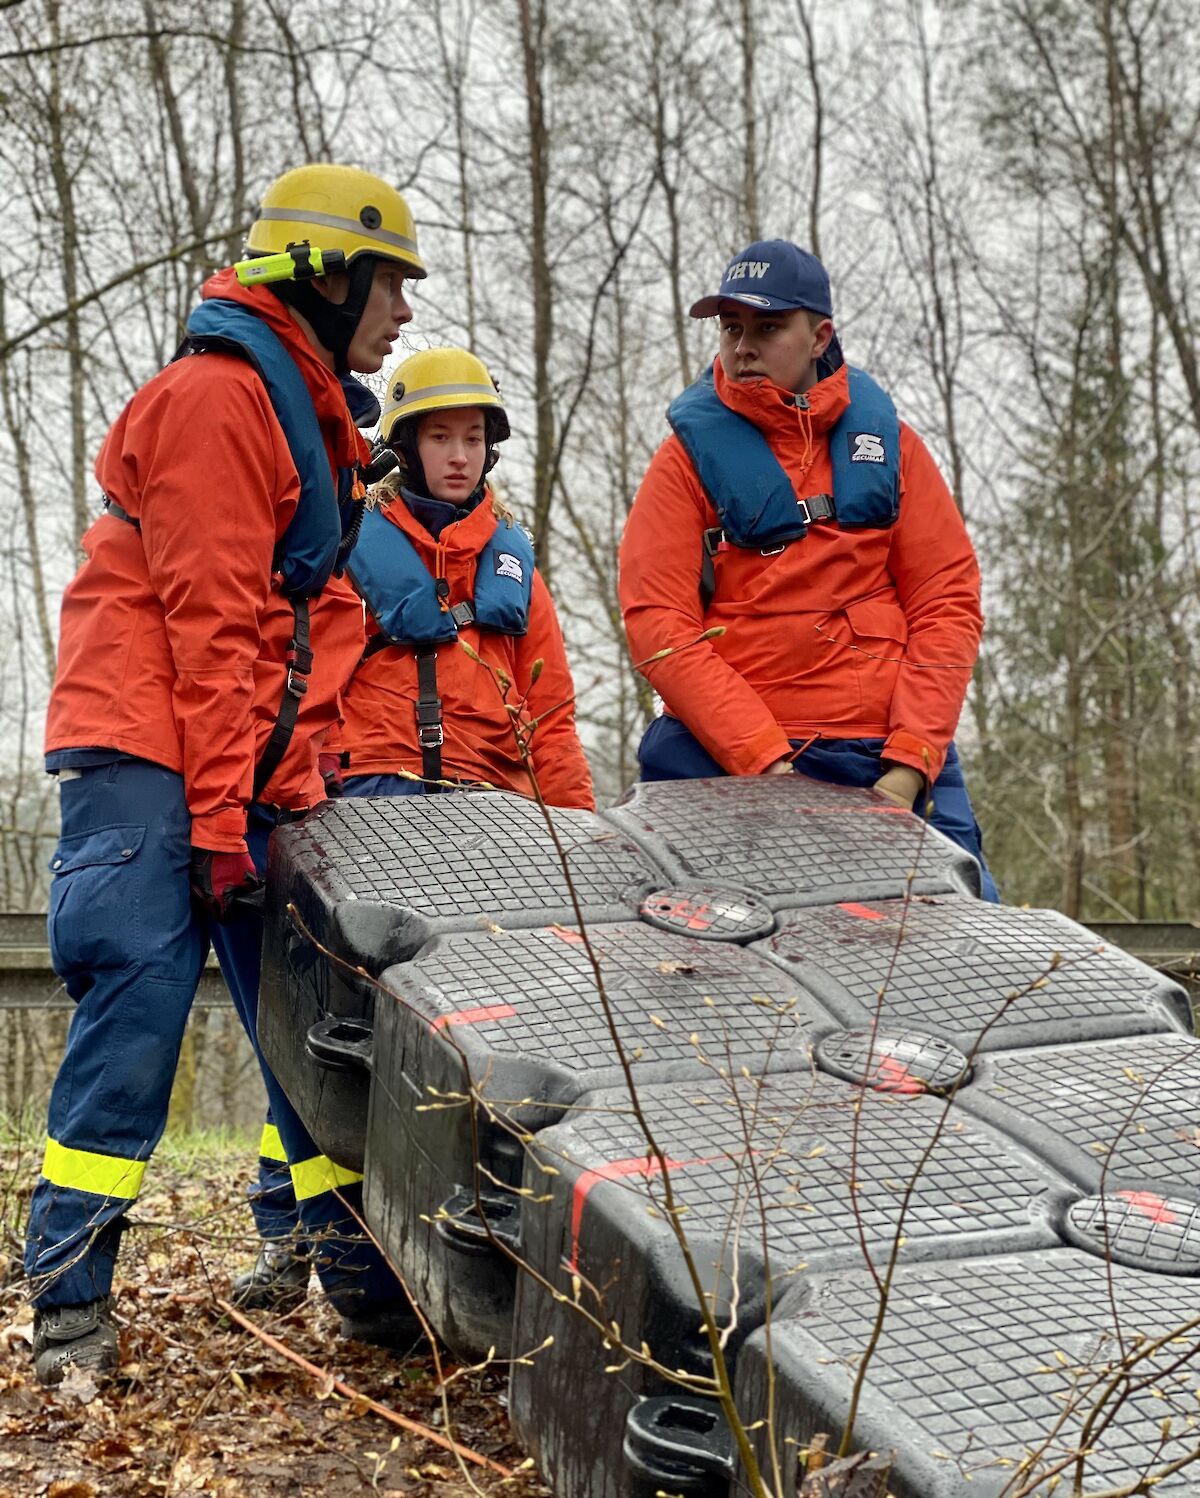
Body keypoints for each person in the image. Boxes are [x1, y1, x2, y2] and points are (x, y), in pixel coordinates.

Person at [27, 163, 428, 1385]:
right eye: (391, 285)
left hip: (233, 765)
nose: (404, 313)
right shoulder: (216, 401)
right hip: (150, 753)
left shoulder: (310, 422)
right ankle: (68, 1304)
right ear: (326, 272)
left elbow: (314, 624)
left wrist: (295, 781)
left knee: (310, 1025)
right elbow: (208, 618)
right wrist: (218, 815)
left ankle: (364, 1287)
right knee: (140, 1016)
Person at [618, 239, 998, 900]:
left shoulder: (895, 448)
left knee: (965, 941)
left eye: (768, 328)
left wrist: (909, 765)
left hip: (880, 754)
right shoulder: (683, 462)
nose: (743, 346)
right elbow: (660, 627)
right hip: (731, 755)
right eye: (732, 328)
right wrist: (764, 761)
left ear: (820, 335)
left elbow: (948, 603)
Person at [334, 345, 594, 808]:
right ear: (405, 446)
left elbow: (551, 714)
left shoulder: (513, 561)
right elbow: (316, 689)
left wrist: (577, 832)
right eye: (440, 438)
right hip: (372, 787)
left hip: (493, 794)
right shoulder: (351, 544)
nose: (459, 456)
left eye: (473, 439)